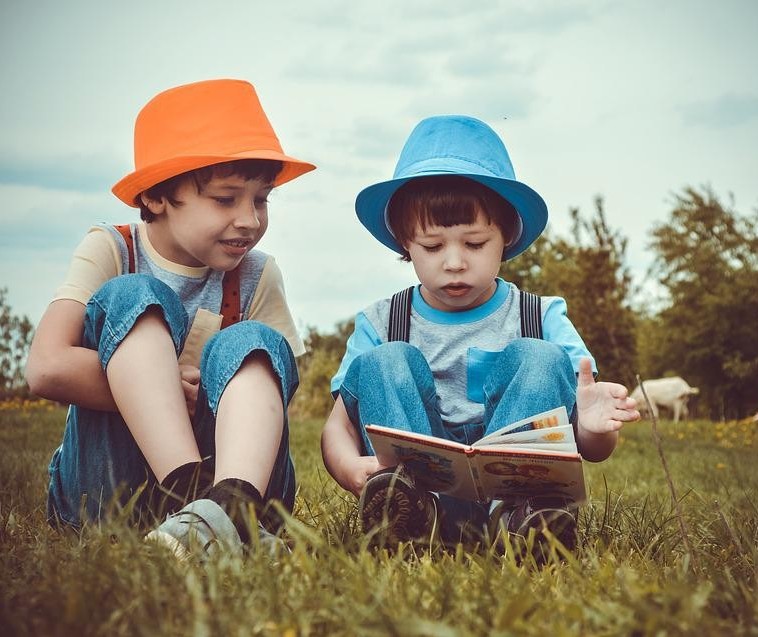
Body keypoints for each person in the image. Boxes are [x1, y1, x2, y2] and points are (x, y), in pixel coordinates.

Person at [321, 115, 639, 555]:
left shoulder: (540, 315)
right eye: (433, 247)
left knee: (540, 357)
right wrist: (350, 468)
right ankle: (406, 520)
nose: (454, 262)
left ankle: (527, 522)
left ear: (506, 236)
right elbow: (337, 426)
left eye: (474, 244)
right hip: (420, 495)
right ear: (404, 243)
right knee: (384, 361)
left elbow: (593, 448)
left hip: (516, 497)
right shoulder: (381, 321)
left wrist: (593, 428)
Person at [25, 79, 315, 559]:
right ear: (158, 196)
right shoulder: (112, 248)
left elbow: (279, 382)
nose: (250, 219)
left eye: (261, 199)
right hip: (109, 491)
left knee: (254, 341)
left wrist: (224, 390)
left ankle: (232, 507)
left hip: (233, 471)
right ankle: (197, 502)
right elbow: (46, 367)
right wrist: (158, 387)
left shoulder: (258, 273)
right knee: (135, 295)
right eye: (226, 199)